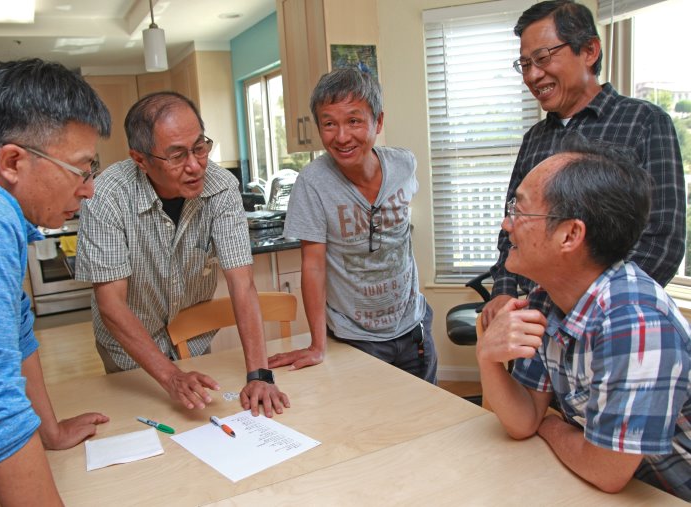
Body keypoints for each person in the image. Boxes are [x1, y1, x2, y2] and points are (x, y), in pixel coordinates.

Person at [0, 58, 112, 505]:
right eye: (81, 168)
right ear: (13, 160)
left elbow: (16, 327)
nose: (89, 188)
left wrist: (48, 430)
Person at [477, 137, 691, 500]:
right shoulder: (545, 300)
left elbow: (606, 471)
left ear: (571, 234)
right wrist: (488, 358)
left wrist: (553, 426)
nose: (506, 223)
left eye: (520, 211)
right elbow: (524, 420)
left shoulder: (635, 321)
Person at [75, 92, 290, 417]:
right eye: (177, 156)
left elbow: (241, 283)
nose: (195, 166)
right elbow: (111, 305)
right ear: (140, 159)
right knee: (145, 429)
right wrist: (170, 376)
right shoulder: (107, 196)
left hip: (193, 342)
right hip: (129, 352)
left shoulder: (221, 187)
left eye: (200, 148)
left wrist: (259, 375)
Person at [482, 0, 685, 327]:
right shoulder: (534, 138)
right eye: (524, 63)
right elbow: (514, 224)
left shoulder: (644, 122)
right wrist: (504, 292)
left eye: (544, 57)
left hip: (607, 325)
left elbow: (663, 241)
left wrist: (585, 313)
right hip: (531, 326)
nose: (533, 75)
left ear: (589, 50)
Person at [268, 68, 437, 384]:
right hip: (356, 338)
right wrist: (317, 345)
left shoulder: (404, 165)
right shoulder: (312, 184)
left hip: (414, 326)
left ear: (379, 122)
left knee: (428, 420)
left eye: (354, 121)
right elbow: (314, 267)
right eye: (329, 123)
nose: (342, 136)